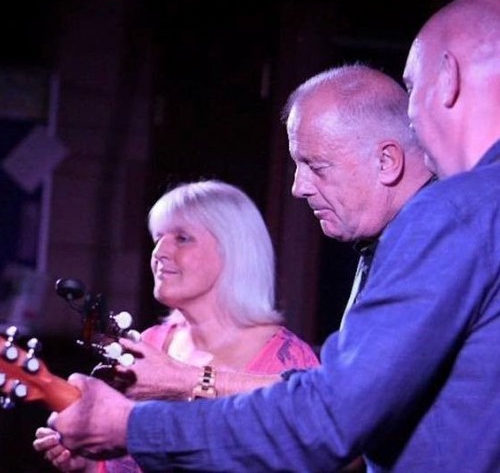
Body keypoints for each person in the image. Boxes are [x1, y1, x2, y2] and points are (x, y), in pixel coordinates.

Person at [37, 58, 439, 471]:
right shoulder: (383, 246)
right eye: (157, 237)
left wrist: (182, 386)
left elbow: (340, 420)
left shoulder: (430, 246)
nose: (298, 188)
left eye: (316, 166)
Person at [34, 179, 320, 472]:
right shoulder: (150, 343)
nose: (159, 252)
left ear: (234, 251)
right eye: (158, 237)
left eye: (182, 238)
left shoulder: (288, 360)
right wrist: (91, 466)